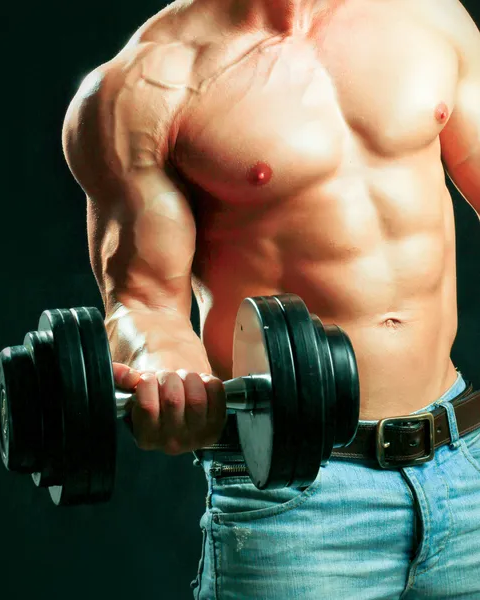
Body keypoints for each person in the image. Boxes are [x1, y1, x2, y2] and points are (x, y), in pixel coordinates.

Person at [62, 0, 480, 596]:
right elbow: (143, 301)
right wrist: (169, 374)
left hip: (465, 461)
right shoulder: (146, 86)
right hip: (296, 505)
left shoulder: (430, 18)